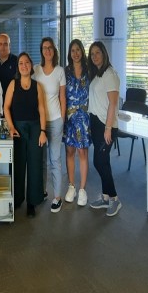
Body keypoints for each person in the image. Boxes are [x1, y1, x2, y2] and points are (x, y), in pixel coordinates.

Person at [4, 52, 47, 218]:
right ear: (18, 67)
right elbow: (6, 107)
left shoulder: (37, 86)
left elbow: (42, 109)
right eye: (21, 63)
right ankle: (17, 198)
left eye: (27, 62)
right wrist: (11, 127)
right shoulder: (13, 84)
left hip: (35, 128)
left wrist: (43, 131)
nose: (24, 65)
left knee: (35, 165)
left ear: (31, 65)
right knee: (18, 164)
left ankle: (31, 202)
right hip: (18, 129)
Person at [86, 41, 122, 217]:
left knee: (99, 162)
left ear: (104, 54)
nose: (94, 56)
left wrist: (108, 128)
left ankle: (114, 199)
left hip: (105, 125)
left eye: (97, 53)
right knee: (103, 161)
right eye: (92, 54)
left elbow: (113, 104)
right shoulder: (97, 73)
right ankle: (106, 197)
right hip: (96, 122)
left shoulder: (110, 74)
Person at [33, 37, 66, 213]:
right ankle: (43, 191)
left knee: (55, 159)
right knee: (42, 159)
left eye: (50, 48)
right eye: (45, 48)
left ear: (54, 51)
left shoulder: (60, 71)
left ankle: (57, 197)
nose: (47, 51)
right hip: (40, 122)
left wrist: (62, 120)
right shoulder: (36, 70)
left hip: (55, 120)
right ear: (41, 51)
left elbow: (62, 98)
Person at [63, 39, 91, 207]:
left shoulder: (89, 70)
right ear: (69, 53)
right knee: (70, 152)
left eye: (78, 50)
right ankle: (71, 186)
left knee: (83, 152)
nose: (75, 53)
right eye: (73, 50)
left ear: (82, 51)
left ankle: (82, 190)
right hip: (69, 117)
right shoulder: (66, 71)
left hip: (84, 117)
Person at [0, 33, 18, 98]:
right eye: (0, 44)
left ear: (9, 45)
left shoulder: (17, 61)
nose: (2, 47)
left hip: (13, 99)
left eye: (5, 44)